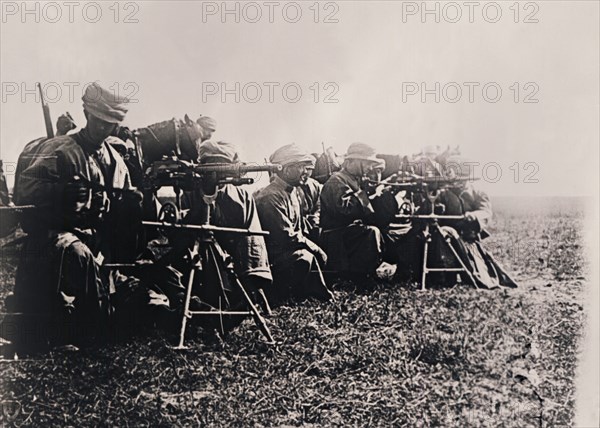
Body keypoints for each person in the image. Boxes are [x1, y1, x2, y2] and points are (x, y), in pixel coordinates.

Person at [7, 82, 139, 349]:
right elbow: (25, 193)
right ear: (86, 114)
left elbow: (120, 208)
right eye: (99, 121)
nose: (104, 128)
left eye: (110, 124)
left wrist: (131, 206)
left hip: (100, 239)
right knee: (78, 255)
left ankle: (106, 317)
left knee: (134, 270)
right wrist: (59, 194)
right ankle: (85, 327)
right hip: (54, 237)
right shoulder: (60, 150)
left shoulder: (117, 161)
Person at [255, 144, 334, 303]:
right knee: (304, 257)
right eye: (301, 167)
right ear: (285, 169)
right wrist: (315, 248)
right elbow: (285, 236)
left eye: (308, 168)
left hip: (286, 253)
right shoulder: (270, 197)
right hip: (272, 260)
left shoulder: (292, 192)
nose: (307, 172)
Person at [426, 156, 518, 289]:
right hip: (445, 238)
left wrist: (474, 216)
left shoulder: (478, 192)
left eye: (456, 173)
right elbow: (432, 210)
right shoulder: (444, 193)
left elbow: (485, 212)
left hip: (467, 240)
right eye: (450, 172)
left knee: (480, 275)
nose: (454, 179)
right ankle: (443, 276)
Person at [320, 143, 400, 283]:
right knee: (371, 232)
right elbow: (344, 210)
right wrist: (366, 195)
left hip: (350, 233)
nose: (370, 168)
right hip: (337, 236)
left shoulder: (354, 180)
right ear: (352, 161)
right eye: (367, 163)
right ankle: (362, 276)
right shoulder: (336, 181)